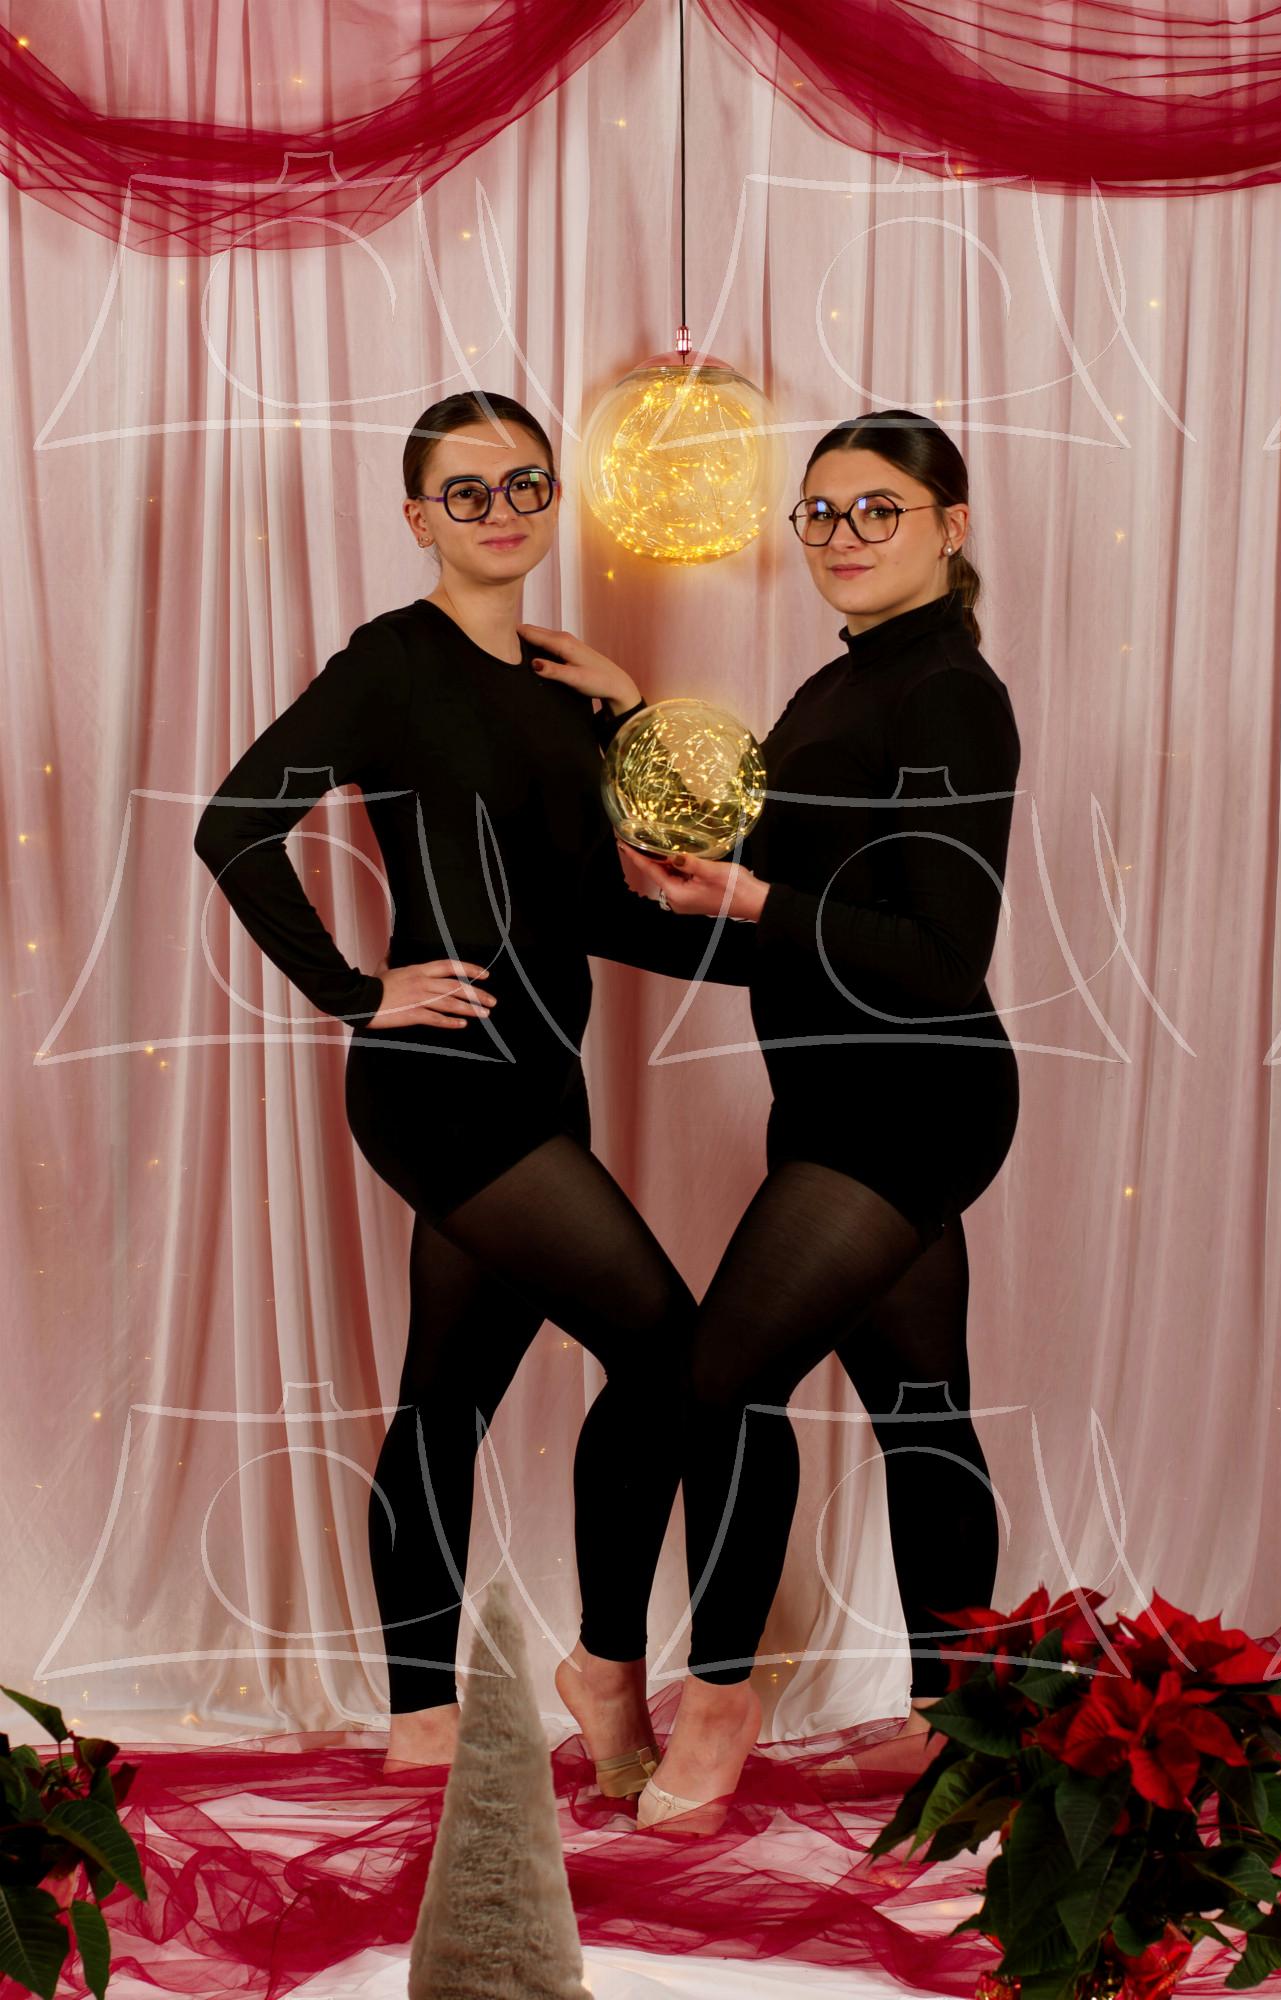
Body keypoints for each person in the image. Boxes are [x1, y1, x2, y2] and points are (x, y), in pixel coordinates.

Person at [192, 391, 747, 1785]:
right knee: (667, 1347)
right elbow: (235, 825)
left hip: (541, 1080)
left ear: (554, 499)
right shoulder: (392, 662)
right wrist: (354, 991)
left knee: (445, 1399)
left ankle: (422, 1719)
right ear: (418, 518)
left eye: (526, 486)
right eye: (468, 492)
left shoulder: (563, 694)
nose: (502, 512)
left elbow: (597, 913)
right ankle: (603, 1670)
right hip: (440, 1080)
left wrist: (634, 721)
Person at [538, 409, 1023, 1831]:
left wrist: (751, 896)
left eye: (877, 509)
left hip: (913, 1098)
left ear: (950, 525)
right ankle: (964, 1731)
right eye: (818, 512)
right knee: (920, 1406)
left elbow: (940, 957)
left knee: (718, 1381)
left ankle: (719, 1698)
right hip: (833, 1098)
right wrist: (626, 742)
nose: (841, 537)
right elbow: (780, 929)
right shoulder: (845, 681)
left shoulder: (948, 692)